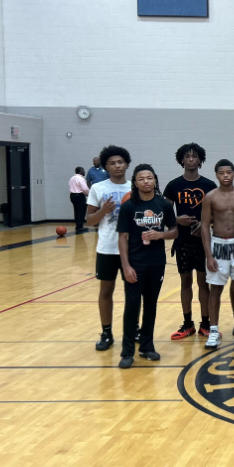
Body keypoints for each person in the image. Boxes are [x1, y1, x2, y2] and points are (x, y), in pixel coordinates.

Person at [116, 164, 177, 368]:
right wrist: (125, 266)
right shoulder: (128, 207)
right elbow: (122, 238)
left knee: (151, 305)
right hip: (135, 264)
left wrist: (161, 235)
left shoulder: (164, 205)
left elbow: (174, 231)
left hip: (156, 263)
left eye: (150, 178)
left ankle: (147, 346)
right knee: (132, 307)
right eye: (141, 178)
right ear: (135, 182)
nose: (146, 182)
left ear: (155, 180)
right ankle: (127, 352)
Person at [163, 143, 218, 341]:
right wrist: (177, 220)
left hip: (203, 242)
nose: (191, 159)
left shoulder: (210, 186)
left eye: (195, 156)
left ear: (200, 160)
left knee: (204, 283)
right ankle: (188, 324)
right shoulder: (173, 185)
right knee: (185, 282)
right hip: (182, 241)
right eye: (187, 156)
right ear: (182, 160)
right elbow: (164, 212)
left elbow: (217, 214)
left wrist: (206, 223)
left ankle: (206, 323)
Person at [200, 160, 234, 349]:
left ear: (233, 174)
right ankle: (213, 331)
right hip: (218, 245)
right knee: (215, 288)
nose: (225, 176)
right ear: (216, 175)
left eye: (229, 172)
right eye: (221, 173)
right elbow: (205, 227)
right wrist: (208, 255)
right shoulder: (210, 197)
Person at [86, 145, 131, 351]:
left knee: (133, 293)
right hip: (107, 248)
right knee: (106, 290)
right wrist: (103, 210)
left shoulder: (135, 187)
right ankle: (106, 332)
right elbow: (89, 221)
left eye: (120, 162)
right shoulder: (98, 188)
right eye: (112, 163)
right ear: (106, 166)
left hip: (132, 250)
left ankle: (133, 330)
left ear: (127, 164)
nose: (117, 166)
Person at [69, 167, 90, 233]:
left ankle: (77, 226)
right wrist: (88, 194)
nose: (84, 172)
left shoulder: (72, 178)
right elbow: (85, 188)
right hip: (79, 196)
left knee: (76, 211)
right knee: (81, 211)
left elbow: (69, 185)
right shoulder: (81, 179)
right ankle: (80, 227)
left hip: (72, 195)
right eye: (83, 170)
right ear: (80, 171)